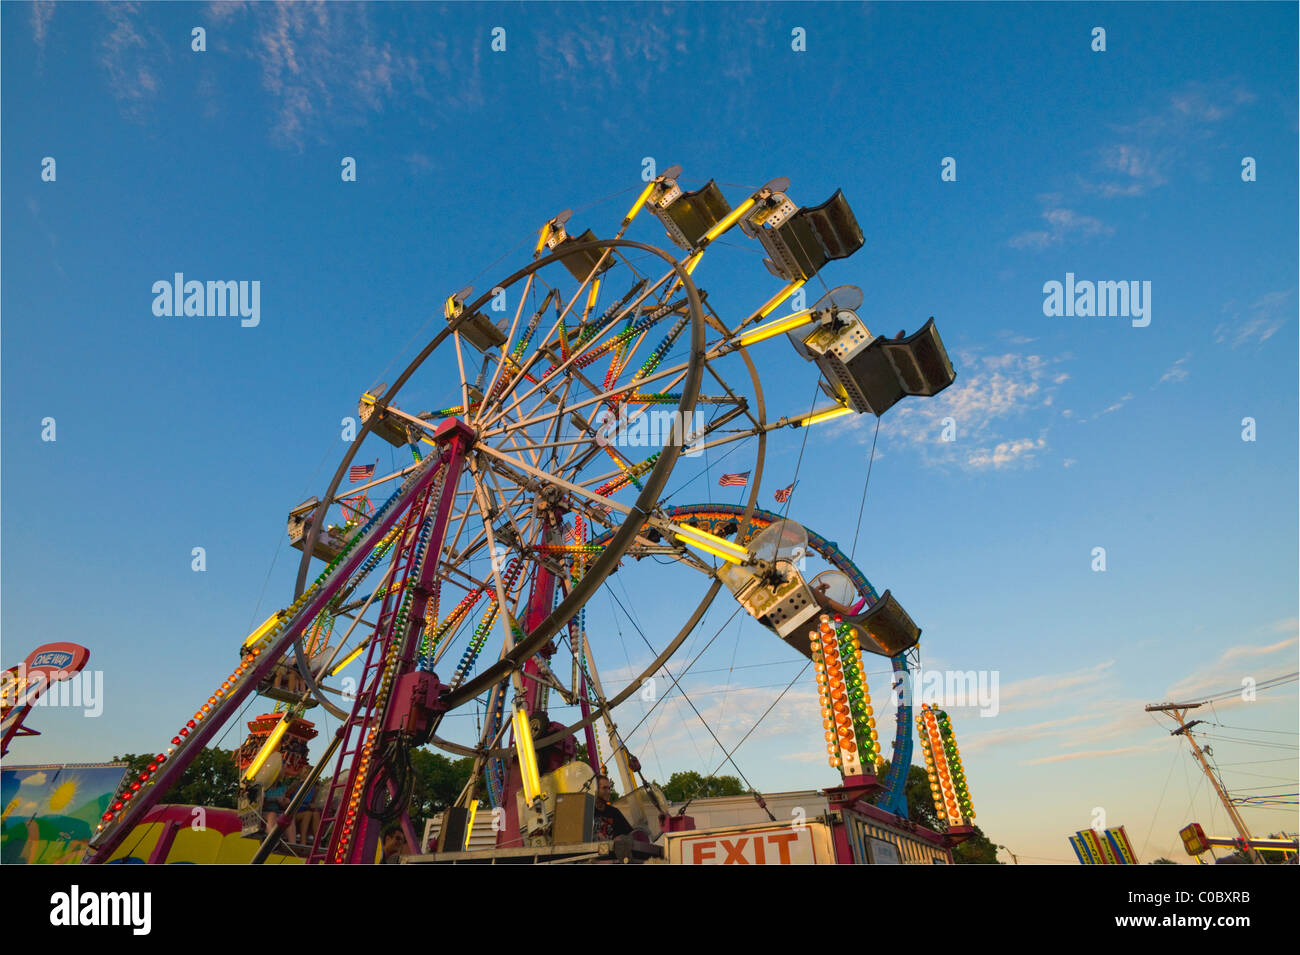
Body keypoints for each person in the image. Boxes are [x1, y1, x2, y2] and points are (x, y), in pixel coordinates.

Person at [591, 773, 632, 842]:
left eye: (609, 788)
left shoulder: (614, 812)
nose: (608, 792)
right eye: (604, 788)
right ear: (595, 789)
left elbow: (630, 834)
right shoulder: (587, 811)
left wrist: (620, 838)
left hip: (611, 852)